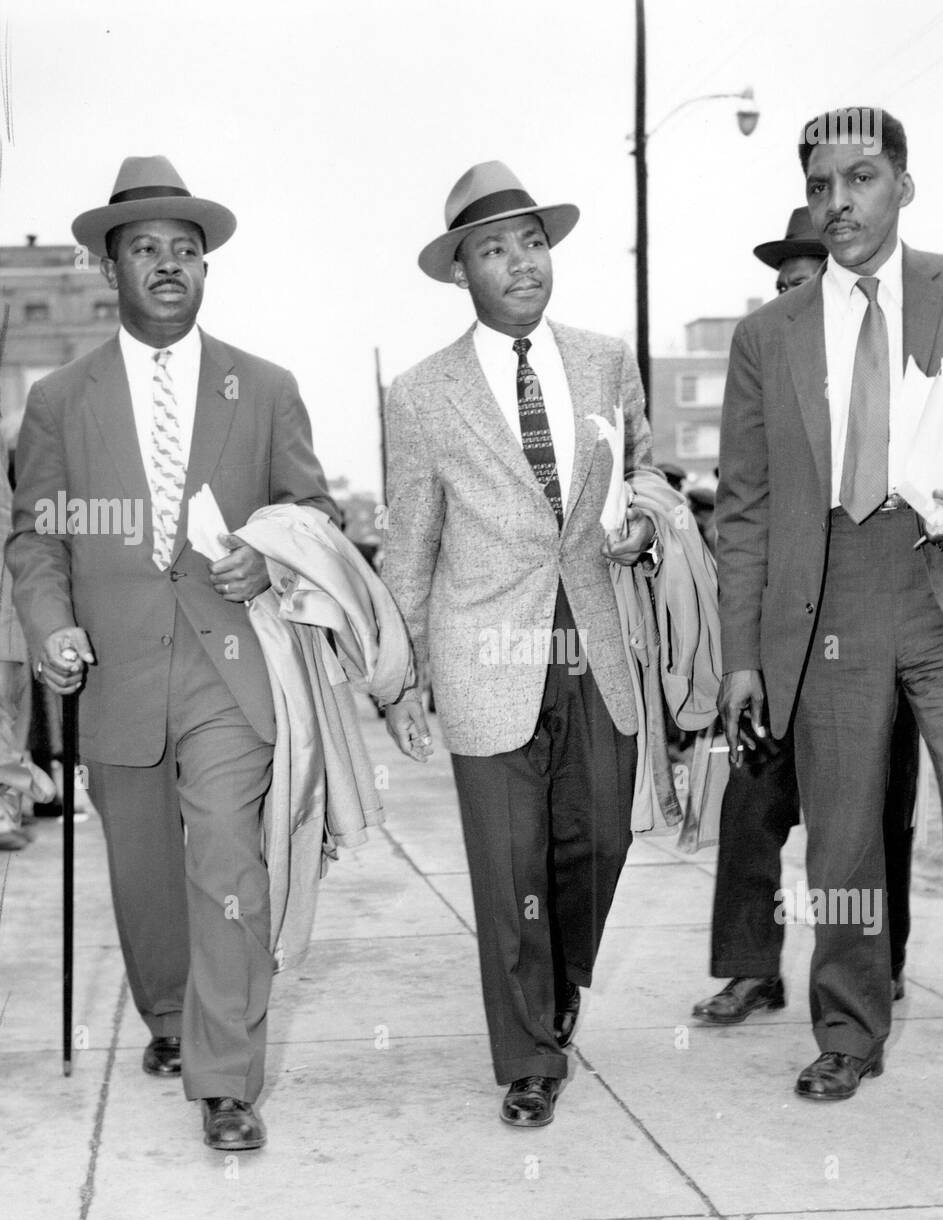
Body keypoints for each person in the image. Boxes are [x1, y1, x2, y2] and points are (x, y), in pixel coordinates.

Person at [715, 108, 943, 1161]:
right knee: (846, 843)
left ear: (902, 185)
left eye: (860, 179)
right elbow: (742, 505)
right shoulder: (761, 338)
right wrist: (740, 654)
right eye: (822, 185)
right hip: (831, 603)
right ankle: (847, 1030)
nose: (840, 203)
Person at [8, 156, 337, 1152]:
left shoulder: (265, 387)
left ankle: (226, 1076)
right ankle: (169, 1017)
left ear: (206, 269)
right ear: (108, 267)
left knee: (229, 859)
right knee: (147, 880)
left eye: (184, 250)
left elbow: (311, 512)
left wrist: (267, 559)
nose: (166, 265)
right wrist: (48, 625)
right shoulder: (60, 398)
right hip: (110, 667)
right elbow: (35, 537)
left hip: (230, 658)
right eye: (144, 249)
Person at [383, 161, 655, 1128]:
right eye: (495, 249)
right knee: (509, 866)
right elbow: (408, 541)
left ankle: (562, 980)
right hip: (481, 649)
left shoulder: (607, 360)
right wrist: (399, 670)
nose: (522, 263)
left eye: (533, 242)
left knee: (603, 836)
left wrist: (647, 523)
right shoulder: (420, 396)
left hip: (596, 636)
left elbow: (648, 475)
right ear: (463, 270)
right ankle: (529, 1053)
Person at [693, 207, 919, 1026]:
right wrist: (739, 655)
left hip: (874, 629)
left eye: (810, 277)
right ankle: (753, 968)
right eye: (784, 282)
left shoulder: (886, 372)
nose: (794, 294)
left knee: (873, 816)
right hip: (783, 639)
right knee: (750, 804)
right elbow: (739, 519)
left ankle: (878, 963)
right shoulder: (765, 368)